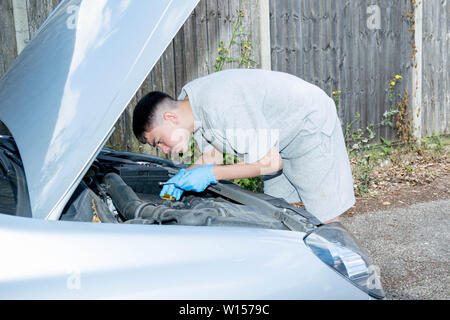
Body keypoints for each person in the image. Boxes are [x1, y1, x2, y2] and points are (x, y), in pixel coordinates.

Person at [132, 69, 355, 224]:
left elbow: (270, 163)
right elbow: (213, 154)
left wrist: (210, 174)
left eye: (159, 141)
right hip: (277, 136)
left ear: (170, 117)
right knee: (280, 209)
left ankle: (346, 279)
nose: (163, 149)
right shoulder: (191, 107)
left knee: (323, 216)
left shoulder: (220, 104)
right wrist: (184, 176)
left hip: (307, 123)